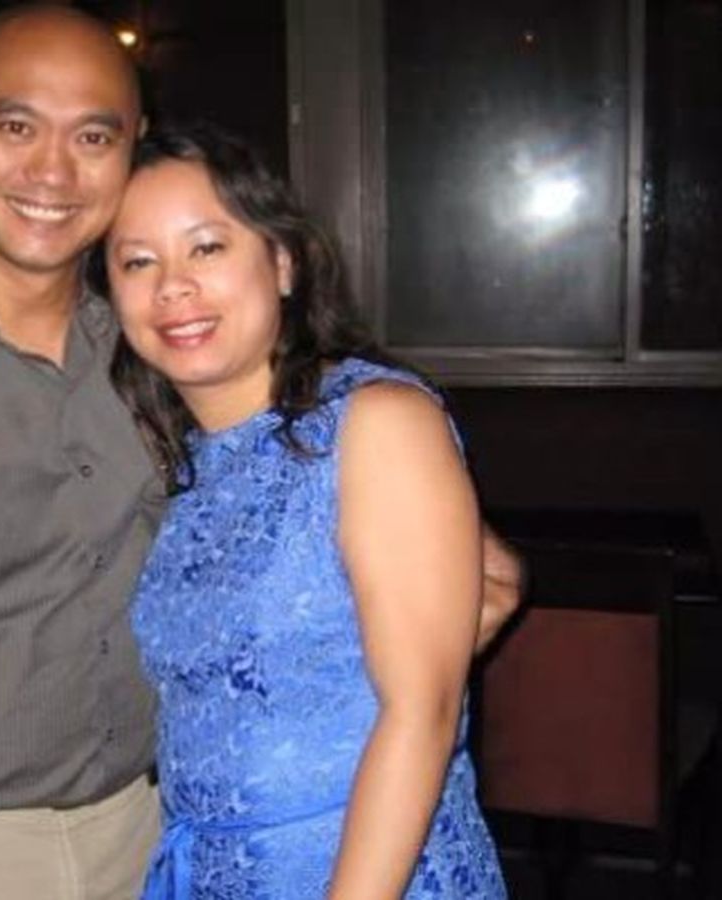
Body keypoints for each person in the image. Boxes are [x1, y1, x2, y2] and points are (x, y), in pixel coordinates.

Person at [0, 7, 519, 899]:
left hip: (156, 835)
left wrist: (449, 575)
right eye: (16, 127)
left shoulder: (160, 357)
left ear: (129, 149)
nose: (52, 170)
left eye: (93, 136)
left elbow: (361, 522)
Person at [104, 123, 507, 898]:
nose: (173, 286)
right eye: (138, 261)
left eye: (207, 247)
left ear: (282, 262)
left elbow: (421, 713)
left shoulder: (375, 422)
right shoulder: (187, 461)